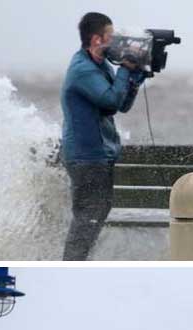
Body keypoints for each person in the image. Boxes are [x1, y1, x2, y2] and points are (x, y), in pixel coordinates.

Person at [60, 11, 147, 261]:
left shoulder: (101, 65)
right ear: (97, 39)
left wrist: (134, 80)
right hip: (86, 157)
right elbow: (110, 97)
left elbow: (117, 105)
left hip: (98, 155)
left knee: (96, 212)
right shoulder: (82, 70)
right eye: (111, 37)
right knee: (89, 214)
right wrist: (125, 70)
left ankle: (77, 261)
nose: (116, 43)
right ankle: (72, 264)